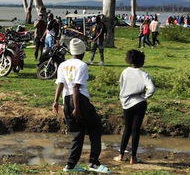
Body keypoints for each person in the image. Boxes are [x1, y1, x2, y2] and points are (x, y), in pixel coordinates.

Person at [52, 38, 110, 173]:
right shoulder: (82, 65)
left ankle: (70, 165)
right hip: (79, 100)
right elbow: (76, 88)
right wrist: (77, 108)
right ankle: (94, 163)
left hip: (66, 100)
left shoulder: (63, 65)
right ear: (82, 52)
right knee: (95, 128)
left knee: (77, 133)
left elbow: (60, 84)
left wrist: (55, 102)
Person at [114, 49, 155, 164]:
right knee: (136, 130)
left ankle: (121, 155)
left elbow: (121, 86)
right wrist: (145, 96)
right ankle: (133, 157)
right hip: (140, 104)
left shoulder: (125, 72)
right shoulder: (144, 74)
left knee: (127, 129)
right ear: (141, 61)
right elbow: (151, 88)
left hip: (126, 103)